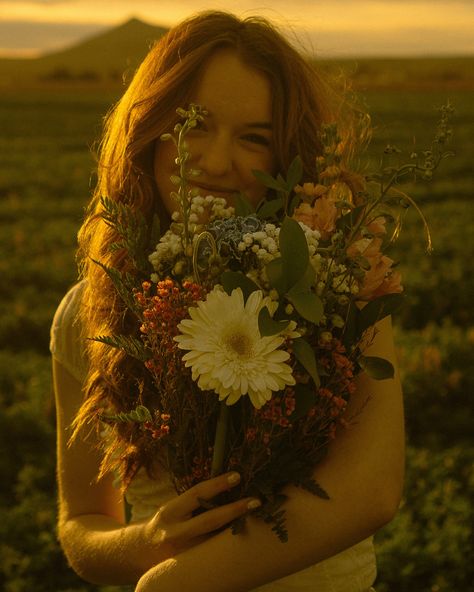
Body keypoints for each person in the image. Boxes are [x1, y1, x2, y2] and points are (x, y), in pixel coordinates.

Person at [50, 10, 404, 592]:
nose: (215, 162)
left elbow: (371, 491)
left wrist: (179, 581)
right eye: (195, 126)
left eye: (254, 138)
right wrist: (148, 544)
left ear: (289, 155)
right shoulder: (86, 313)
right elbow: (81, 525)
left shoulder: (334, 288)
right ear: (149, 131)